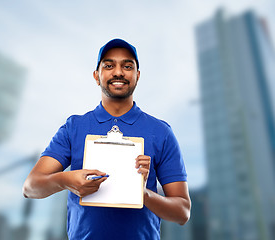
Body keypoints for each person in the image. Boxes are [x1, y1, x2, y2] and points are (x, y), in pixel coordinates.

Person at [23, 38, 191, 240]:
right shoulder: (74, 127)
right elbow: (30, 187)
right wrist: (65, 180)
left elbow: (183, 212)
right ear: (96, 76)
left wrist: (144, 194)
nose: (118, 72)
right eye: (109, 65)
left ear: (137, 76)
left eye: (127, 66)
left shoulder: (161, 131)